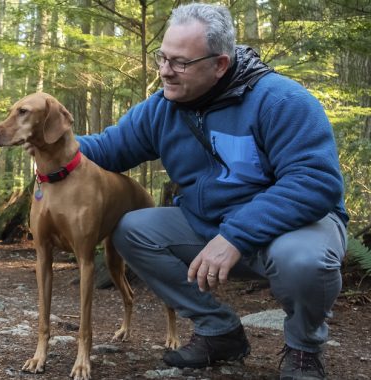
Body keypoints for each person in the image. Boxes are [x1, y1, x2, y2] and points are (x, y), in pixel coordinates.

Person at [75, 3, 348, 380]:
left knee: (304, 261)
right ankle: (219, 332)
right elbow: (108, 149)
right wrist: (44, 134)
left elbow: (315, 181)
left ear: (220, 64)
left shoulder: (281, 101)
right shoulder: (163, 108)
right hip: (209, 227)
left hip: (291, 230)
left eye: (180, 63)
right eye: (163, 58)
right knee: (131, 229)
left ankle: (303, 348)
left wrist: (236, 234)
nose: (165, 71)